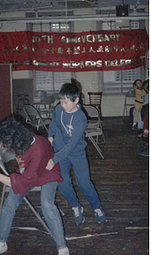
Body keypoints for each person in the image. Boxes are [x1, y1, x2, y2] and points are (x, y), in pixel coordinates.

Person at [0, 117, 69, 255]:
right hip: (28, 171)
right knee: (9, 203)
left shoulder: (37, 150)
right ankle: (1, 243)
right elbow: (10, 131)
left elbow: (23, 182)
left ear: (13, 142)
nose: (5, 148)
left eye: (5, 144)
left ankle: (62, 248)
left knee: (47, 205)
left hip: (47, 173)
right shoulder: (24, 137)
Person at [46, 83, 107, 225]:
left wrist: (54, 159)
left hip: (76, 152)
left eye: (66, 102)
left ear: (76, 100)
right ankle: (76, 206)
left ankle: (97, 207)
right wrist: (50, 135)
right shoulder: (58, 109)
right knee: (63, 181)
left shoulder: (81, 118)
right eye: (61, 101)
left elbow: (72, 145)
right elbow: (54, 122)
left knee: (84, 183)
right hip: (60, 151)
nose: (63, 105)